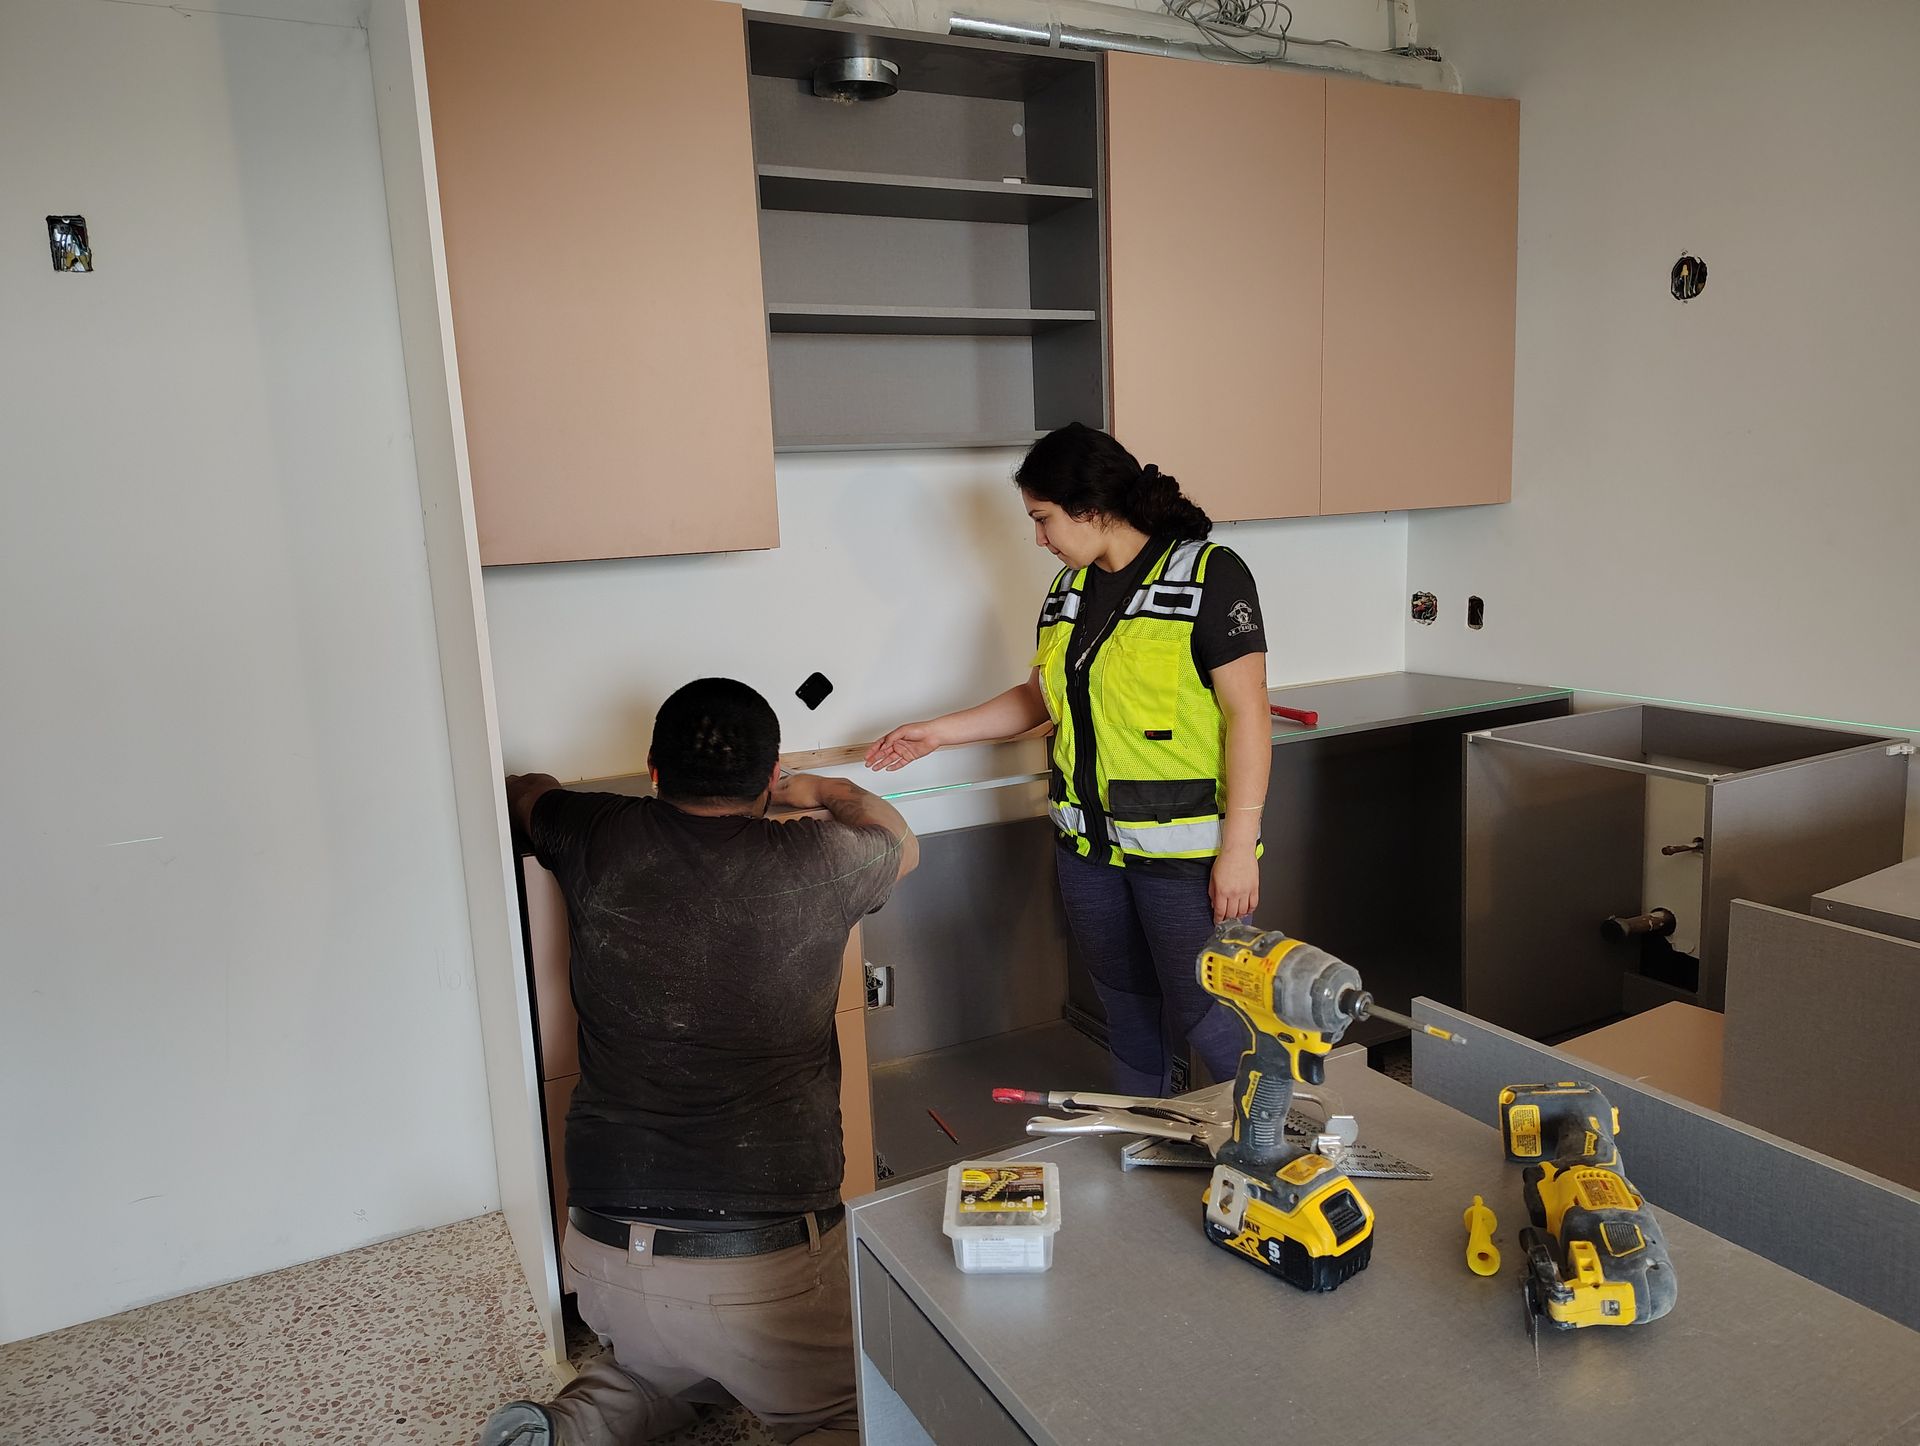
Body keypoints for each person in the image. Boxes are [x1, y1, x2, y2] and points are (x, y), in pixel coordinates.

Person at [480, 678, 919, 1446]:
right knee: (867, 1409)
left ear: (652, 769)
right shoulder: (820, 856)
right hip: (760, 1267)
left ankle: (573, 1428)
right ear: (769, 775)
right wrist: (823, 787)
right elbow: (901, 841)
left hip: (603, 1258)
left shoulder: (595, 831)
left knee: (671, 1371)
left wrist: (549, 791)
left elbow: (526, 794)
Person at [868, 424, 1269, 1097]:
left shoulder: (1209, 573)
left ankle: (1262, 1154)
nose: (1039, 538)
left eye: (1043, 518)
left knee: (1213, 1017)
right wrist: (940, 732)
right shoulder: (1068, 591)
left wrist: (1240, 843)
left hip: (1187, 856)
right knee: (1127, 1007)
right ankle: (1151, 1133)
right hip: (1089, 850)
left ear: (1091, 507)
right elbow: (1041, 695)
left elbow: (1248, 714)